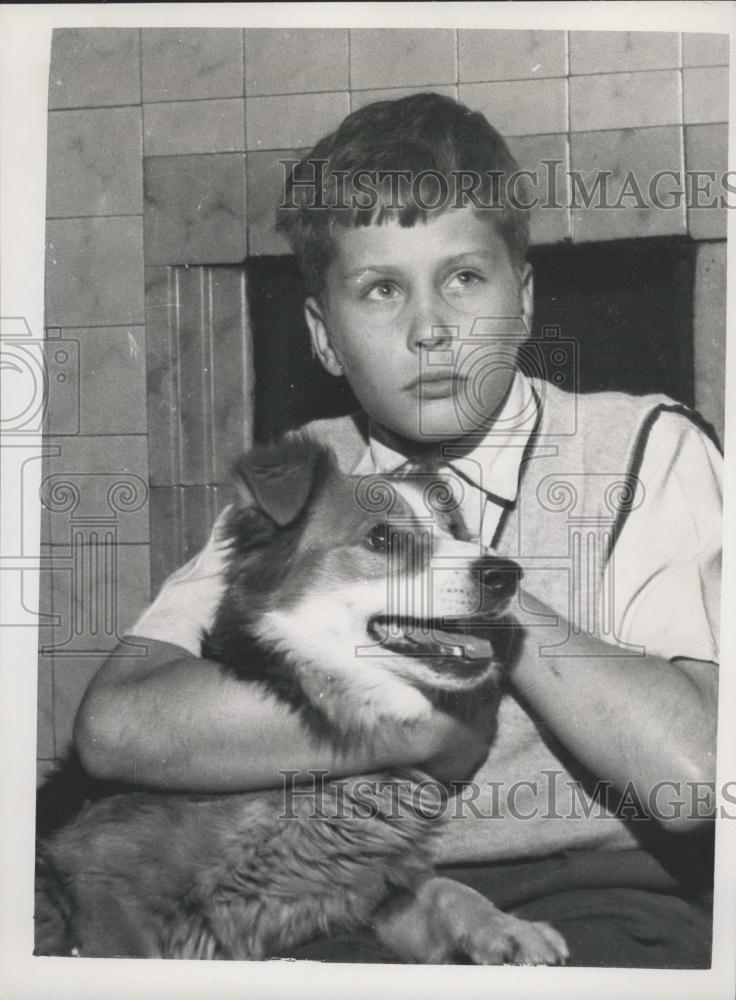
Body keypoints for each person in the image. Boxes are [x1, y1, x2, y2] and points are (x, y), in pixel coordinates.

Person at [73, 93, 721, 967]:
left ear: (523, 301)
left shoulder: (643, 446)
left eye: (464, 279)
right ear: (323, 336)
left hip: (600, 898)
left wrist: (471, 590)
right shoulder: (312, 476)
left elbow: (689, 780)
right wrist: (407, 727)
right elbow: (115, 726)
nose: (429, 329)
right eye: (381, 289)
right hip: (346, 903)